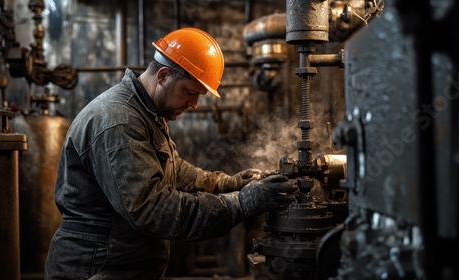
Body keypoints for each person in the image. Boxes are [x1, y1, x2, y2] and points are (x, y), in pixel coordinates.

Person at [44, 27, 298, 280]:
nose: (194, 104)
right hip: (96, 268)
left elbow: (174, 169)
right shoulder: (119, 122)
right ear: (164, 75)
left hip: (118, 265)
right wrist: (239, 203)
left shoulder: (145, 111)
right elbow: (151, 209)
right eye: (189, 92)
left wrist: (228, 183)